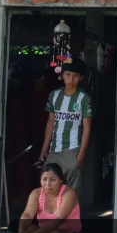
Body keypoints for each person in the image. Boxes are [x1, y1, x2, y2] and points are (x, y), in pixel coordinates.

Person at [38, 58, 92, 198]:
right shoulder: (54, 95)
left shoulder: (83, 98)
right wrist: (44, 149)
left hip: (73, 151)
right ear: (62, 75)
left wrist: (82, 153)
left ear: (81, 78)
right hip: (54, 151)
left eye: (75, 76)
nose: (71, 79)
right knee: (49, 191)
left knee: (71, 195)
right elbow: (50, 122)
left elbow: (87, 127)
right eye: (67, 75)